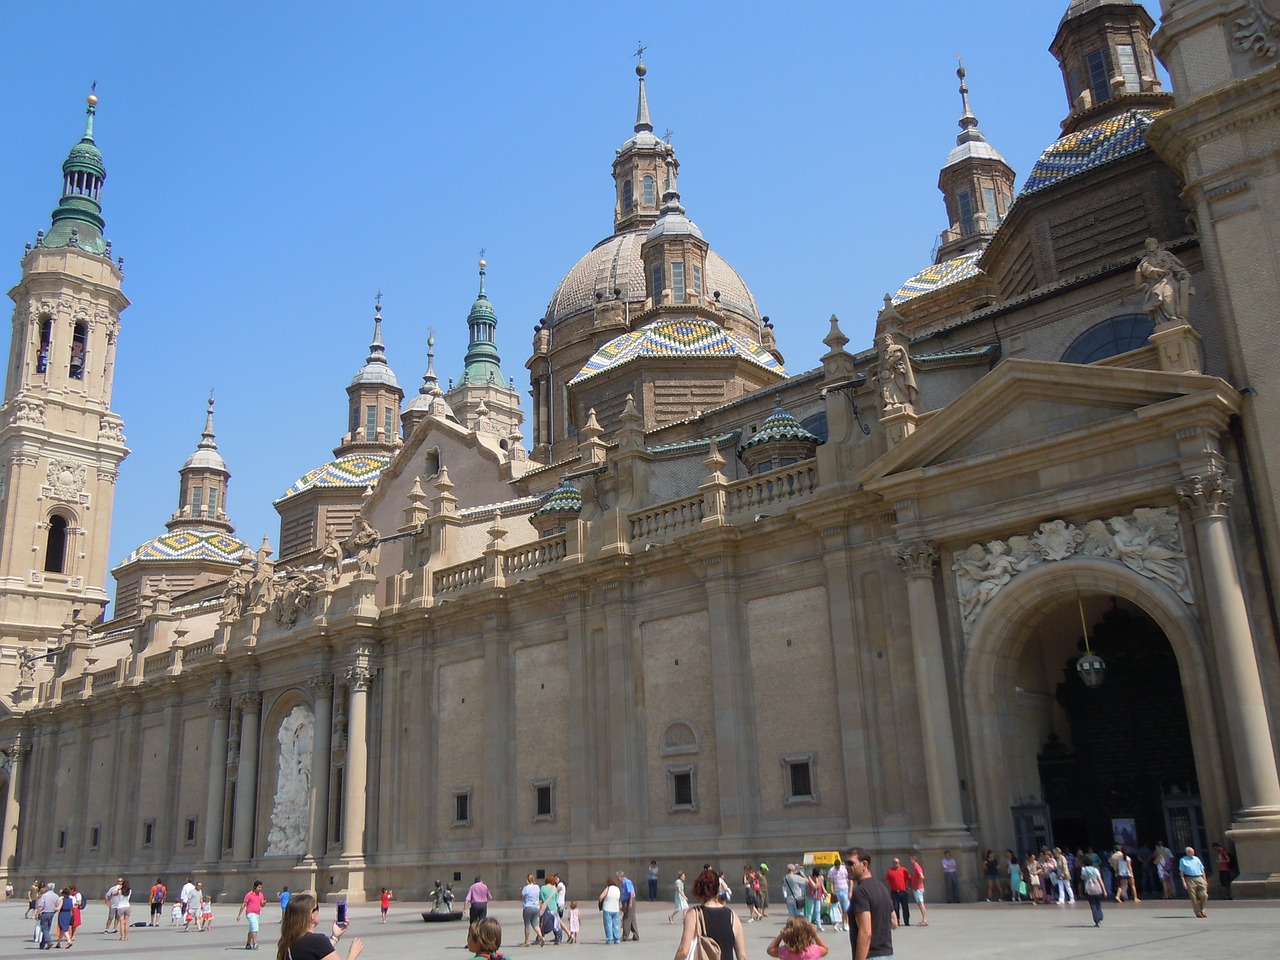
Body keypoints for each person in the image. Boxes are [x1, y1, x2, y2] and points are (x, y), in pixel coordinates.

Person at [672, 867, 746, 960]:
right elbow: (742, 957)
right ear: (718, 889)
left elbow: (683, 951)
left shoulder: (694, 914)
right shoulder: (732, 916)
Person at [276, 893, 363, 960]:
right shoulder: (317, 940)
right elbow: (317, 947)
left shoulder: (287, 941)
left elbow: (315, 951)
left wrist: (335, 937)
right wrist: (353, 953)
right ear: (311, 915)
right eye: (317, 907)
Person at [848, 851, 893, 960]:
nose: (847, 867)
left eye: (851, 863)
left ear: (864, 864)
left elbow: (865, 932)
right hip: (887, 954)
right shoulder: (882, 888)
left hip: (871, 955)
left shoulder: (860, 891)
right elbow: (894, 921)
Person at [1179, 846, 1209, 918]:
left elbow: (1202, 869)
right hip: (1190, 878)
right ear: (1188, 852)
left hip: (1199, 877)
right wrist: (1184, 882)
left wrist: (1205, 880)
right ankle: (1198, 912)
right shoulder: (1183, 860)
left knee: (1204, 895)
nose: (1193, 853)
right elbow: (1182, 872)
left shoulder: (1197, 859)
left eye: (1193, 851)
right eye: (1192, 852)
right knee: (1193, 896)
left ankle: (1203, 909)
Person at [237, 879, 267, 949]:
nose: (260, 889)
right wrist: (239, 915)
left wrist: (264, 903)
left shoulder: (261, 895)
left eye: (261, 887)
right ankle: (255, 943)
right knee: (255, 926)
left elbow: (262, 905)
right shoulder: (249, 894)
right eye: (259, 887)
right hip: (250, 913)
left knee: (251, 929)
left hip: (257, 914)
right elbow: (244, 904)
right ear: (255, 887)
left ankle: (248, 944)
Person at [1081, 855, 1105, 927]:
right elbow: (1100, 880)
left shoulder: (1084, 869)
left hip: (1089, 889)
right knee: (1098, 903)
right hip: (1097, 888)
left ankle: (1097, 920)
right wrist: (1104, 890)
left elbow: (1083, 877)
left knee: (1093, 904)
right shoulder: (1095, 869)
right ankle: (1100, 915)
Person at [884, 857, 909, 926]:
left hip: (903, 891)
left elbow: (908, 879)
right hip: (894, 892)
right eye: (895, 863)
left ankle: (906, 921)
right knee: (896, 907)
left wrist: (908, 887)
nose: (897, 864)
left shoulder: (904, 870)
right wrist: (888, 890)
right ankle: (897, 921)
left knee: (905, 907)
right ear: (893, 864)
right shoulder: (890, 871)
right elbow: (887, 881)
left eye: (898, 863)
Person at [597, 875, 621, 945]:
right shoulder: (617, 889)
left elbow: (601, 896)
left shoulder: (608, 888)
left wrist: (601, 902)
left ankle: (609, 939)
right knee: (615, 924)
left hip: (607, 908)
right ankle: (617, 939)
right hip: (615, 909)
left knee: (608, 924)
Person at [828, 858, 850, 933]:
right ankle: (839, 924)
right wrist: (832, 891)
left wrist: (850, 890)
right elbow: (831, 882)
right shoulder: (831, 870)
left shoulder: (844, 869)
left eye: (838, 866)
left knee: (846, 908)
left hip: (844, 889)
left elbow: (848, 878)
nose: (837, 867)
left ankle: (846, 923)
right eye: (836, 866)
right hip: (836, 890)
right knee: (838, 909)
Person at [520, 874, 542, 947]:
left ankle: (527, 941)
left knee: (527, 924)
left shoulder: (525, 888)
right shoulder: (537, 887)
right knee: (535, 924)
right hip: (536, 907)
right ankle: (541, 936)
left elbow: (522, 897)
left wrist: (522, 899)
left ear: (527, 880)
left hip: (528, 907)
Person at [618, 870, 639, 941]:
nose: (617, 880)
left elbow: (632, 893)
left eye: (618, 878)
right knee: (632, 918)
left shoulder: (627, 882)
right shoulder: (624, 883)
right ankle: (636, 935)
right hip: (625, 901)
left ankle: (625, 936)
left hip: (629, 901)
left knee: (626, 918)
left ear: (621, 877)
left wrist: (630, 903)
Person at [38, 882, 60, 949]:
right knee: (47, 929)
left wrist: (38, 913)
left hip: (45, 913)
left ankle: (49, 942)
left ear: (47, 888)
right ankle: (42, 944)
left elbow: (41, 905)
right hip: (52, 913)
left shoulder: (44, 896)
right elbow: (57, 905)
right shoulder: (56, 896)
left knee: (44, 928)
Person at [908, 854, 928, 926]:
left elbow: (922, 876)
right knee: (920, 904)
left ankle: (925, 920)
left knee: (921, 904)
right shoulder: (916, 867)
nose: (910, 861)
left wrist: (918, 883)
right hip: (917, 888)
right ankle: (924, 919)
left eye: (911, 859)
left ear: (914, 860)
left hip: (918, 888)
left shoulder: (917, 867)